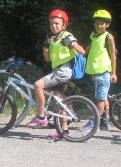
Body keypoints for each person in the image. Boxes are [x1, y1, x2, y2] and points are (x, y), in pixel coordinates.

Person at [25, 9, 87, 139]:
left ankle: (41, 117)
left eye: (57, 23)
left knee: (38, 85)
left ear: (64, 24)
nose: (54, 26)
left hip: (63, 71)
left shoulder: (67, 36)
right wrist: (45, 47)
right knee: (60, 102)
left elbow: (82, 51)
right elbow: (47, 59)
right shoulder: (53, 39)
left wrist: (72, 44)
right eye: (52, 23)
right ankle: (63, 131)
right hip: (57, 70)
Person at [83, 9, 118, 130]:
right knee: (103, 97)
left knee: (100, 98)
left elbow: (113, 55)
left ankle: (94, 122)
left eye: (102, 23)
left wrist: (114, 73)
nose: (99, 26)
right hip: (95, 71)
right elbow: (87, 49)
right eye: (97, 23)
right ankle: (104, 122)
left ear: (107, 24)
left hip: (103, 71)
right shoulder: (93, 36)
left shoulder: (108, 37)